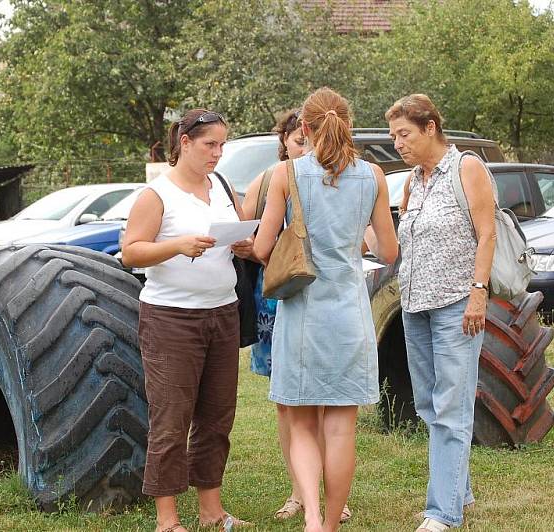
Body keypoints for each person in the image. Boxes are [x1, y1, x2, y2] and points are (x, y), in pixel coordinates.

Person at [254, 87, 398, 532]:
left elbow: (262, 247)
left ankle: (312, 519)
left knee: (301, 425)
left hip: (302, 315)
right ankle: (332, 525)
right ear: (348, 125)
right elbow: (389, 250)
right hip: (349, 316)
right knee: (341, 429)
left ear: (305, 128)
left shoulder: (286, 174)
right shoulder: (373, 176)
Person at [121, 108, 254, 532]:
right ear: (185, 143)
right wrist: (177, 245)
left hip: (222, 310)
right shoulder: (156, 195)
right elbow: (131, 252)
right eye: (209, 145)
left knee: (217, 416)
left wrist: (243, 246)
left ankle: (212, 512)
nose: (217, 153)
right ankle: (167, 520)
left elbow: (237, 236)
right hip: (171, 318)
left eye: (222, 145)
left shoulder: (220, 186)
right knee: (172, 418)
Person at [386, 94, 496, 532]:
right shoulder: (413, 181)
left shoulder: (466, 168)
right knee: (428, 404)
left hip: (457, 305)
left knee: (451, 406)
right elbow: (403, 244)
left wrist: (478, 292)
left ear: (430, 127)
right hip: (414, 306)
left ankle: (441, 512)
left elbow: (486, 235)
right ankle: (458, 492)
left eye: (404, 133)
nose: (398, 143)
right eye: (394, 135)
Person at [242, 108, 352, 524]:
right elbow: (250, 232)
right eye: (296, 140)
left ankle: (325, 496)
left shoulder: (326, 174)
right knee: (288, 405)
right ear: (286, 140)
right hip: (280, 293)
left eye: (304, 138)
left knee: (317, 404)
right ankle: (299, 492)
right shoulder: (271, 178)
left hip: (312, 296)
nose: (302, 146)